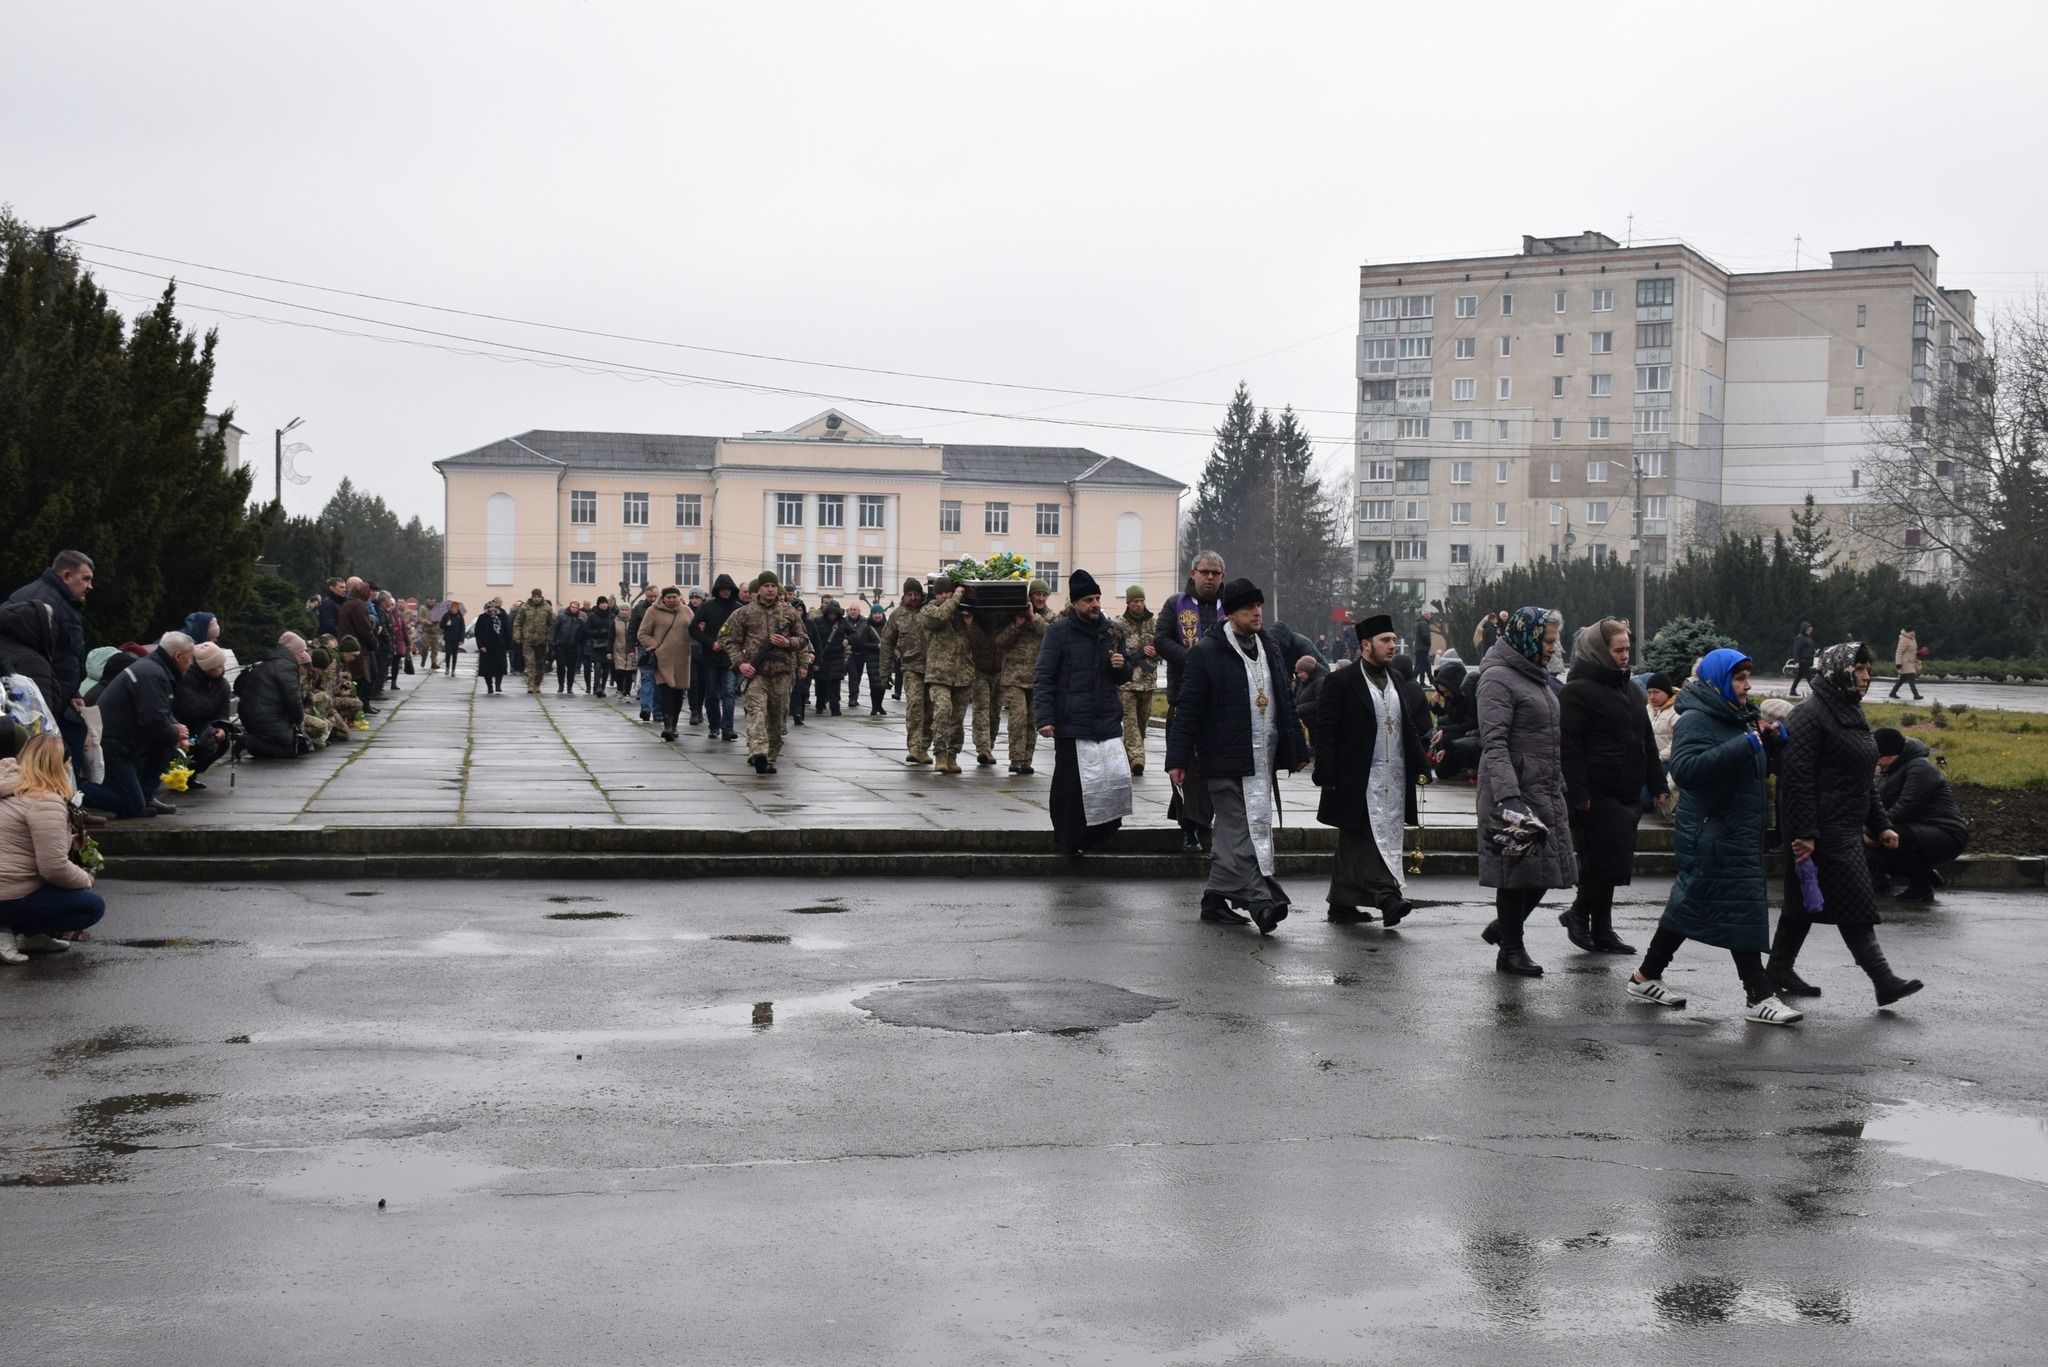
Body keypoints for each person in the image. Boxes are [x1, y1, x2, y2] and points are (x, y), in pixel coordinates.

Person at [1624, 650, 1802, 1024]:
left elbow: (1748, 769)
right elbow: (1687, 770)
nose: (1748, 686)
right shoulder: (1697, 720)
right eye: (1740, 678)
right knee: (1742, 910)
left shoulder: (1739, 717)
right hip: (1712, 830)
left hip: (1735, 829)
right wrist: (1745, 745)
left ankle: (1645, 976)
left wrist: (1773, 745)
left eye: (1748, 678)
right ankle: (1759, 996)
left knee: (1688, 907)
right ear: (1720, 680)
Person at [1769, 642, 1925, 1007]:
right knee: (1853, 900)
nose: (1867, 677)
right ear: (1839, 670)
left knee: (1803, 903)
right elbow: (1796, 780)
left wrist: (1881, 824)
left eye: (1868, 670)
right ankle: (1883, 980)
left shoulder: (1849, 710)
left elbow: (1862, 779)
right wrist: (1805, 834)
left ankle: (1778, 969)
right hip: (1821, 830)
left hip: (1844, 825)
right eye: (1859, 670)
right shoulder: (1810, 715)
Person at [1166, 578, 1307, 934]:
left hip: (1261, 761)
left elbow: (1284, 702)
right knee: (1241, 830)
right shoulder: (1206, 652)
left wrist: (1298, 749)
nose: (1257, 613)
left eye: (1259, 606)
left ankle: (1214, 899)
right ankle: (1261, 901)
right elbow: (1188, 709)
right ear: (1230, 614)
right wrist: (1177, 760)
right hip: (1222, 759)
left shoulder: (1270, 647)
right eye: (1248, 608)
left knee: (1232, 832)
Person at [1474, 607, 1577, 976]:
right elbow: (1495, 743)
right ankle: (1511, 950)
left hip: (1544, 788)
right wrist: (1508, 796)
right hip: (1514, 790)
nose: (1553, 648)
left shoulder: (1535, 676)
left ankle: (1504, 929)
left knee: (1550, 870)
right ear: (1528, 637)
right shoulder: (1499, 679)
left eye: (1554, 641)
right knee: (1515, 872)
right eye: (1548, 641)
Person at [1557, 618, 1665, 955]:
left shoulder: (1630, 689)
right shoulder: (1576, 691)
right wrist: (1579, 793)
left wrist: (1658, 784)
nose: (1624, 656)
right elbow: (1569, 747)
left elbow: (1645, 739)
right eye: (1617, 650)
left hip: (1627, 792)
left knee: (1613, 864)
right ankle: (1577, 914)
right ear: (1599, 651)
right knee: (1604, 863)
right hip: (1595, 794)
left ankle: (1601, 929)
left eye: (1626, 649)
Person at [1314, 614, 1425, 927]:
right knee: (1366, 838)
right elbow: (1326, 729)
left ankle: (1341, 903)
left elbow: (1408, 727)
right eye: (1385, 641)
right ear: (1365, 646)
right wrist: (1326, 771)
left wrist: (1422, 763)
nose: (1392, 646)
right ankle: (1388, 897)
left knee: (1354, 842)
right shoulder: (1341, 681)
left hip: (1394, 777)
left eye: (1393, 640)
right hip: (1356, 777)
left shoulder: (1397, 682)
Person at [1033, 569, 1134, 858]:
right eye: (1089, 599)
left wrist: (1121, 665)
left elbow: (1124, 675)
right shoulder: (1058, 632)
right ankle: (1068, 841)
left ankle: (1097, 836)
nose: (1095, 604)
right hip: (1072, 724)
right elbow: (1044, 676)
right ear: (1076, 602)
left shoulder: (1112, 631)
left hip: (1106, 723)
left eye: (1097, 598)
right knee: (1071, 789)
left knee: (1115, 782)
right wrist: (1045, 718)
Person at [0, 733, 107, 958]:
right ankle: (9, 928)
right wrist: (84, 879)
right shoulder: (44, 800)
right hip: (8, 893)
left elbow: (17, 840)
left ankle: (28, 934)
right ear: (58, 765)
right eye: (68, 762)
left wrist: (67, 840)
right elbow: (53, 867)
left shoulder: (10, 786)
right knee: (91, 905)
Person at [1155, 551, 1228, 852]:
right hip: (1184, 698)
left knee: (1215, 769)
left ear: (1223, 576)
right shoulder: (1175, 605)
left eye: (1215, 573)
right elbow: (1160, 641)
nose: (1209, 578)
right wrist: (1194, 659)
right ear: (1193, 573)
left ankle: (1207, 822)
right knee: (1184, 767)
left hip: (1222, 703)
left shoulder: (1231, 605)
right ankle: (1189, 828)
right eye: (1205, 572)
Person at [84, 632, 193, 819]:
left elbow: (161, 712)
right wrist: (175, 732)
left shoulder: (154, 670)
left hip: (125, 743)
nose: (191, 664)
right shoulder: (153, 674)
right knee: (132, 806)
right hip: (113, 747)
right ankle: (73, 792)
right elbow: (153, 722)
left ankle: (145, 795)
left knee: (165, 743)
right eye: (190, 659)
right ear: (178, 656)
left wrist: (176, 729)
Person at [7, 550, 94, 773]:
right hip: (46, 703)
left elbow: (66, 656)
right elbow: (44, 661)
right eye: (86, 579)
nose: (90, 586)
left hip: (59, 700)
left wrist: (73, 692)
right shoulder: (44, 603)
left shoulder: (61, 602)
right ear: (66, 576)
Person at [722, 572, 810, 774]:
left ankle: (770, 758)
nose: (770, 589)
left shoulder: (789, 612)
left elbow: (804, 638)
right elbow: (729, 640)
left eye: (773, 585)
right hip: (756, 673)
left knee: (777, 719)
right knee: (757, 713)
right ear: (759, 589)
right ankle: (758, 752)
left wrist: (788, 643)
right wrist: (740, 664)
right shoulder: (745, 613)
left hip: (782, 673)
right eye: (766, 585)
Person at [1870, 728, 1969, 902]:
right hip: (1918, 830)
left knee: (1892, 837)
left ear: (1892, 754)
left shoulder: (1920, 767)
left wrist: (1876, 829)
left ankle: (1920, 884)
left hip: (1945, 833)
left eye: (1879, 757)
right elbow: (1878, 805)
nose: (1877, 763)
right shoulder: (1891, 771)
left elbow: (1907, 806)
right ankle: (1918, 874)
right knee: (1866, 840)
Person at [993, 580, 1053, 775]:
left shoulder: (1050, 617)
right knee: (1017, 718)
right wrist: (1017, 625)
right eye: (1038, 595)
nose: (1041, 598)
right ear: (1030, 596)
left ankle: (1027, 760)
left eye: (1044, 595)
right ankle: (1016, 758)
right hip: (1014, 677)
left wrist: (1033, 617)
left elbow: (1052, 636)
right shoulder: (1014, 614)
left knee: (1032, 721)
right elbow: (1000, 642)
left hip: (1037, 677)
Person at [919, 576, 978, 775]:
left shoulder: (962, 613)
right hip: (939, 675)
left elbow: (978, 642)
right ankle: (940, 755)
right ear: (935, 594)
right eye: (940, 593)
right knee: (942, 712)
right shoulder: (928, 610)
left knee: (957, 720)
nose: (945, 596)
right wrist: (956, 598)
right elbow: (939, 617)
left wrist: (970, 625)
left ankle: (952, 755)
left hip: (963, 675)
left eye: (948, 592)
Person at [880, 579, 930, 763]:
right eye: (909, 595)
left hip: (934, 668)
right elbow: (886, 643)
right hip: (911, 667)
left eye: (916, 594)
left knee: (930, 710)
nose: (913, 598)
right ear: (904, 595)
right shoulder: (897, 615)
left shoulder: (930, 610)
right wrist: (885, 673)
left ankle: (925, 746)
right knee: (915, 706)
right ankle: (915, 747)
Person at [238, 634, 311, 759]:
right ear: (292, 651)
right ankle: (248, 742)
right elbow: (293, 699)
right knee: (291, 749)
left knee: (295, 746)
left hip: (254, 714)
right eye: (301, 651)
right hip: (266, 716)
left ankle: (252, 742)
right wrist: (298, 720)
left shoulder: (271, 661)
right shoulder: (286, 667)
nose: (304, 655)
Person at [637, 587, 692, 742]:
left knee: (678, 694)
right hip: (662, 658)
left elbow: (694, 630)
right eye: (668, 597)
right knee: (666, 691)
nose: (671, 600)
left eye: (674, 597)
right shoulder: (653, 611)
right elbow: (642, 633)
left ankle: (674, 725)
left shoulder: (687, 612)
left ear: (679, 597)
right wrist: (655, 647)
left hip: (682, 658)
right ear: (663, 598)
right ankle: (667, 726)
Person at [172, 641, 234, 780]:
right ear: (205, 668)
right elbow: (186, 710)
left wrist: (222, 728)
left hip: (207, 728)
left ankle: (191, 775)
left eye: (222, 665)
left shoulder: (222, 685)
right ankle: (180, 774)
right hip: (186, 728)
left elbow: (223, 711)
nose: (222, 669)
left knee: (223, 742)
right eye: (217, 666)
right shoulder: (185, 681)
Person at [691, 576, 741, 741]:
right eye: (723, 588)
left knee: (728, 692)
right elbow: (693, 629)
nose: (726, 591)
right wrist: (711, 643)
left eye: (729, 589)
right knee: (711, 693)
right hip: (711, 658)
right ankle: (714, 726)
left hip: (730, 659)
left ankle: (727, 728)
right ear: (718, 590)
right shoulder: (707, 607)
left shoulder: (738, 609)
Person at [1116, 587, 1159, 777]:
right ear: (1128, 602)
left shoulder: (1153, 624)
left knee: (1142, 724)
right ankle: (1137, 760)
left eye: (1141, 600)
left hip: (1147, 682)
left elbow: (1163, 645)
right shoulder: (1119, 625)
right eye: (1135, 601)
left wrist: (1156, 652)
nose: (1139, 604)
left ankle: (1130, 754)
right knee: (1130, 722)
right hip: (1127, 684)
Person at [337, 580, 382, 708]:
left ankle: (363, 705)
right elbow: (364, 628)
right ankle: (362, 705)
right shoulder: (358, 606)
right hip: (359, 647)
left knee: (360, 677)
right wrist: (374, 642)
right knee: (364, 677)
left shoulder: (349, 604)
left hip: (352, 644)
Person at [514, 589, 555, 694]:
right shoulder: (525, 608)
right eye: (534, 597)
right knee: (530, 663)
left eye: (538, 597)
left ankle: (537, 684)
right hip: (528, 640)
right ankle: (530, 685)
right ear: (532, 597)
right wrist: (518, 636)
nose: (536, 599)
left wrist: (551, 637)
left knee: (540, 664)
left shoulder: (547, 608)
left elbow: (553, 623)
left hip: (541, 641)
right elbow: (518, 622)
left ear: (541, 597)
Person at [849, 606, 886, 715]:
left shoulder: (887, 627)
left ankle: (879, 705)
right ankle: (875, 707)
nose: (878, 615)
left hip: (885, 658)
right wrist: (877, 646)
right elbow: (863, 644)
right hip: (871, 658)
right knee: (874, 685)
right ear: (872, 615)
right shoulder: (867, 627)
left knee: (883, 684)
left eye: (879, 613)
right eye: (875, 613)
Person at [582, 597, 617, 698]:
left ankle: (602, 687)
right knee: (597, 667)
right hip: (596, 644)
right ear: (598, 605)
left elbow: (615, 630)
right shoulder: (592, 616)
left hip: (608, 645)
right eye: (602, 603)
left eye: (605, 603)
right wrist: (600, 632)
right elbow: (587, 630)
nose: (604, 605)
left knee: (606, 668)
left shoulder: (612, 616)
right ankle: (596, 687)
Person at [471, 600, 509, 693]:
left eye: (495, 607)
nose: (492, 609)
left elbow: (507, 631)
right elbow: (478, 633)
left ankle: (498, 685)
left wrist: (507, 645)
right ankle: (489, 686)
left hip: (499, 646)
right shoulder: (482, 618)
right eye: (490, 607)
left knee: (500, 668)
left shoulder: (502, 617)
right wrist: (481, 645)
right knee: (487, 669)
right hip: (487, 647)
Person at [683, 588, 707, 723]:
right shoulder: (686, 611)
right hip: (690, 650)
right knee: (692, 682)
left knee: (703, 682)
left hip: (704, 650)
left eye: (697, 598)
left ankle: (699, 707)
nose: (694, 600)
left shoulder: (707, 610)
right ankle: (694, 711)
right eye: (692, 598)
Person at [551, 600, 584, 694]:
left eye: (576, 608)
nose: (574, 609)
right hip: (561, 646)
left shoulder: (579, 621)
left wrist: (579, 645)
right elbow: (554, 630)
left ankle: (570, 687)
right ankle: (561, 685)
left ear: (578, 609)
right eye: (572, 607)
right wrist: (553, 643)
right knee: (560, 667)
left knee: (571, 668)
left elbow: (581, 635)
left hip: (573, 648)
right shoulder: (561, 618)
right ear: (569, 607)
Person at [612, 598, 640, 701]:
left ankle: (627, 691)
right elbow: (611, 637)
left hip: (630, 650)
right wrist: (609, 651)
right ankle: (620, 688)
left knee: (629, 672)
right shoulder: (614, 622)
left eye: (626, 610)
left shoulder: (633, 622)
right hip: (618, 650)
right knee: (619, 671)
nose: (624, 612)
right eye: (622, 610)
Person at [1889, 626, 1924, 700]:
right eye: (1913, 631)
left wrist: (1919, 653)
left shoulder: (1913, 639)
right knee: (1911, 679)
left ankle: (1892, 693)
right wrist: (1898, 665)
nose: (1914, 633)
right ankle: (1916, 695)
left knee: (1902, 680)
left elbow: (1911, 651)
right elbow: (1899, 652)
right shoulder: (1904, 639)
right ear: (1909, 632)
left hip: (1911, 662)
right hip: (1905, 663)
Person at [1788, 623, 1817, 698]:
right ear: (1804, 629)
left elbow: (1809, 647)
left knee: (1799, 676)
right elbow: (1796, 650)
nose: (1810, 631)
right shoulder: (1799, 637)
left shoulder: (1808, 637)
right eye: (1808, 630)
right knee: (1809, 676)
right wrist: (1796, 661)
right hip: (1803, 660)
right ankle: (1816, 691)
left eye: (1810, 630)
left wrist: (1814, 652)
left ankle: (1792, 690)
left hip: (1808, 659)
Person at [440, 601, 467, 678]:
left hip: (456, 638)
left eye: (455, 608)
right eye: (452, 608)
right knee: (448, 653)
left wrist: (462, 639)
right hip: (448, 637)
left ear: (457, 609)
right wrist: (446, 624)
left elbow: (462, 628)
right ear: (450, 608)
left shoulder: (460, 616)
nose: (454, 610)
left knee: (455, 654)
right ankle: (447, 667)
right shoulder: (447, 615)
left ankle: (453, 669)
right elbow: (441, 626)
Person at [1412, 609, 1435, 680]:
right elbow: (1425, 636)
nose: (1431, 616)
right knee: (1423, 665)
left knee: (1421, 666)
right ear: (1426, 615)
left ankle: (1419, 681)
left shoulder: (1420, 622)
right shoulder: (1423, 623)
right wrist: (1429, 643)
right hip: (1422, 648)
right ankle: (1431, 681)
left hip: (1419, 648)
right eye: (1430, 614)